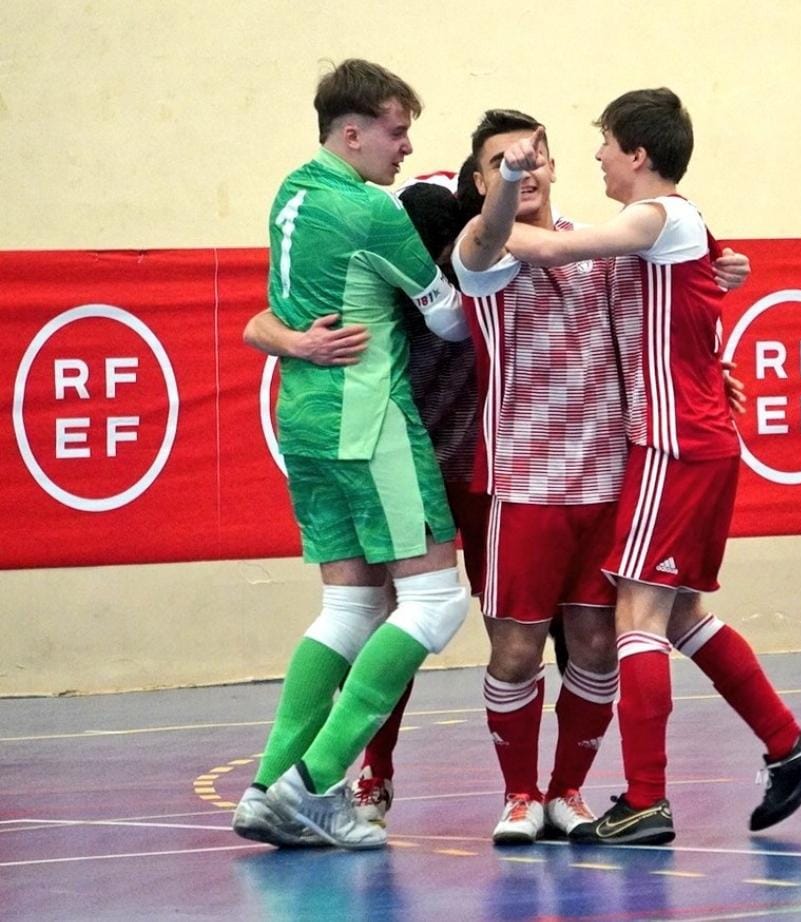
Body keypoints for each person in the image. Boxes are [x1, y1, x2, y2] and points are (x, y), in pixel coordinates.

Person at [504, 88, 801, 845]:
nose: (596, 158)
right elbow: (690, 277)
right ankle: (789, 745)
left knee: (638, 615)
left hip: (674, 443)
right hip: (696, 438)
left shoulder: (660, 217)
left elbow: (555, 248)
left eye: (606, 145)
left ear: (638, 154)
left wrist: (478, 227)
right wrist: (728, 266)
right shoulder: (674, 228)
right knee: (678, 611)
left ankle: (647, 799)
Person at [231, 59, 471, 851]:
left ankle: (268, 786)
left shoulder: (290, 193)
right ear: (354, 131)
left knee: (351, 606)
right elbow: (447, 321)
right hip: (369, 422)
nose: (405, 149)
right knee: (435, 603)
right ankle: (315, 781)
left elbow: (268, 313)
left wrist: (292, 339)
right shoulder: (371, 211)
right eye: (397, 133)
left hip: (301, 419)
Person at [452, 110, 629, 844]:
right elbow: (492, 236)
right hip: (521, 484)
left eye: (532, 158)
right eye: (501, 163)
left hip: (606, 482)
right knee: (517, 651)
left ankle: (568, 792)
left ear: (556, 166)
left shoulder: (603, 247)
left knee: (594, 647)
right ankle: (519, 795)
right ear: (480, 180)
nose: (521, 170)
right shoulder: (478, 249)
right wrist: (509, 182)